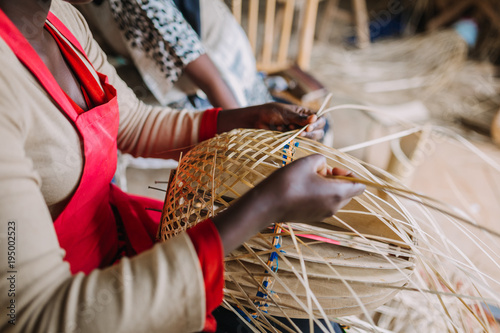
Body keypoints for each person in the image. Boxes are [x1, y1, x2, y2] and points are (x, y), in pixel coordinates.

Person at [0, 1, 364, 332]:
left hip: (122, 250)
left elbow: (131, 122)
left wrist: (241, 120)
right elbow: (31, 316)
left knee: (309, 314)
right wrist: (265, 206)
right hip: (93, 308)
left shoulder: (59, 18)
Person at [77, 0, 272, 109]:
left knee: (107, 113)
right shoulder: (76, 6)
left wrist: (245, 141)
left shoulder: (140, 4)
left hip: (221, 75)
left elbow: (212, 81)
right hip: (172, 67)